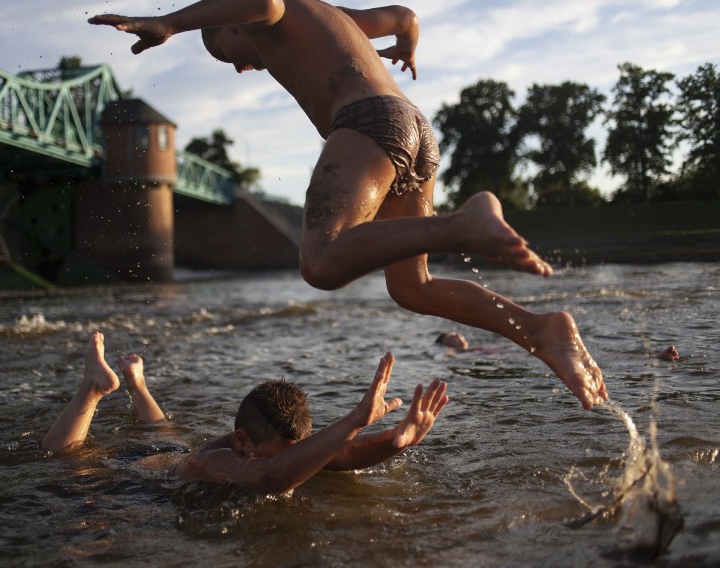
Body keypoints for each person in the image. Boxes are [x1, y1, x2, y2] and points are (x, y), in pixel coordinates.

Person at [88, 0, 608, 410]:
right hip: (415, 129)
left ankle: (462, 225)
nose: (242, 67)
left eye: (227, 51)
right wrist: (407, 48)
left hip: (369, 123)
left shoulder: (270, 14)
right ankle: (539, 328)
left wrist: (171, 24)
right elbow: (405, 18)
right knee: (413, 287)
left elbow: (262, 3)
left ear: (231, 25)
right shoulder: (333, 16)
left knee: (319, 261)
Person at [42, 332, 450, 494]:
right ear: (242, 442)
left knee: (164, 431)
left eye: (295, 450)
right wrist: (357, 419)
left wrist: (396, 441)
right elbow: (273, 476)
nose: (293, 459)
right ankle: (92, 390)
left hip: (171, 450)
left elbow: (337, 454)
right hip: (138, 473)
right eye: (280, 452)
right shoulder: (213, 461)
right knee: (68, 464)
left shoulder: (272, 446)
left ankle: (137, 383)